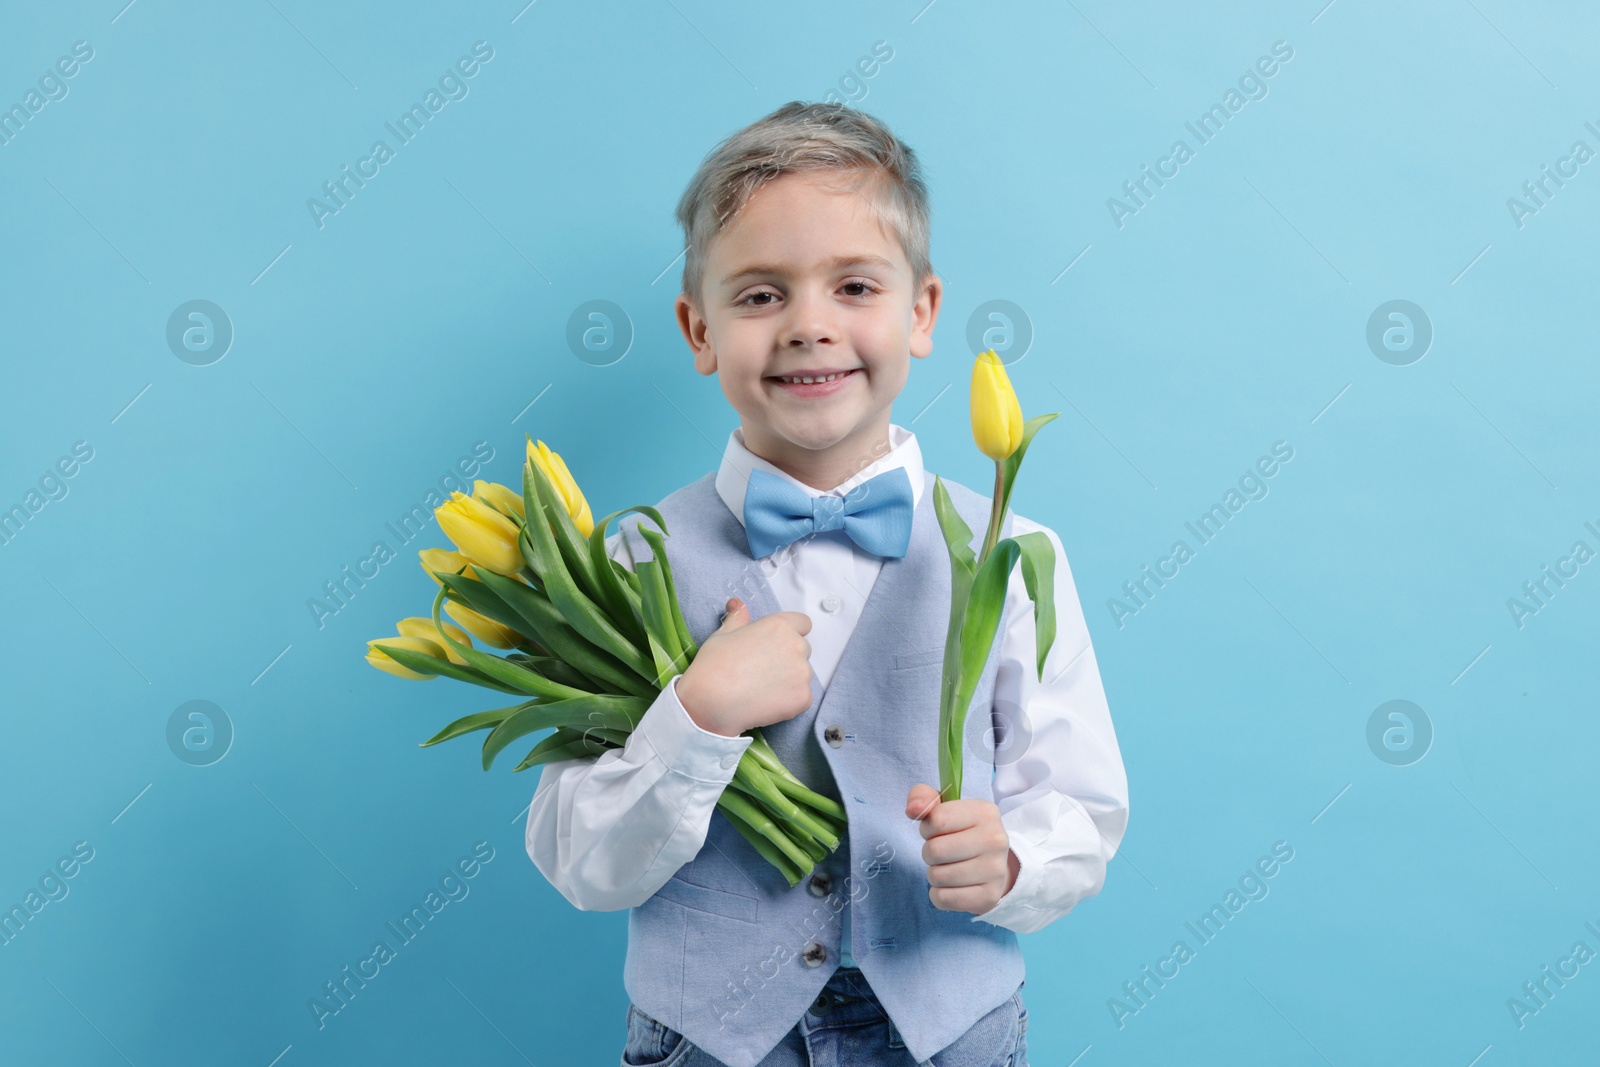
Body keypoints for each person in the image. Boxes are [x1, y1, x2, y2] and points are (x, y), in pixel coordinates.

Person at [525, 100, 1129, 1067]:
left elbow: (1084, 807)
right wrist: (696, 714)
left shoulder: (1017, 553)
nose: (810, 325)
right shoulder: (626, 561)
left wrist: (1012, 860)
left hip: (954, 1032)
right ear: (699, 328)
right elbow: (580, 861)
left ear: (921, 311)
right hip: (708, 1041)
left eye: (854, 285)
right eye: (761, 295)